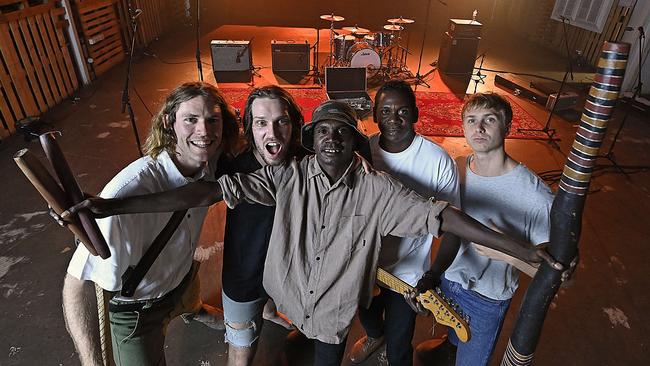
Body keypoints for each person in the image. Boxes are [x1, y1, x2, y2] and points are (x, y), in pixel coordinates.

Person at [67, 100, 561, 366]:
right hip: (285, 300)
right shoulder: (286, 177)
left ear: (353, 145)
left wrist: (520, 248)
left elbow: (445, 218)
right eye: (322, 131)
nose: (331, 138)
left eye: (342, 132)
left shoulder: (376, 192)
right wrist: (113, 203)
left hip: (330, 318)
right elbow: (204, 193)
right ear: (311, 142)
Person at [61, 82, 239, 365]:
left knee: (187, 277)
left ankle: (194, 310)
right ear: (169, 123)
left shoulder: (210, 162)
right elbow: (76, 285)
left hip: (180, 279)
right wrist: (92, 362)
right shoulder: (126, 193)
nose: (204, 131)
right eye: (191, 120)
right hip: (138, 311)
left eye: (212, 120)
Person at [412, 92, 554, 366]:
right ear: (463, 127)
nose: (479, 128)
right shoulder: (458, 169)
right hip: (450, 279)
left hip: (486, 297)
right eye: (472, 120)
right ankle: (450, 346)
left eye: (489, 120)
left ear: (508, 128)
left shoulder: (535, 196)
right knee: (454, 332)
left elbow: (557, 277)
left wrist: (506, 254)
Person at [349, 80, 461, 366]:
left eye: (402, 111)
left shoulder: (438, 161)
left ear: (415, 114)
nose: (393, 119)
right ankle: (375, 336)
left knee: (400, 347)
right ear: (374, 115)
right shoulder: (362, 152)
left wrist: (434, 273)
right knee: (368, 316)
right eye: (385, 112)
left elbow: (454, 226)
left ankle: (391, 348)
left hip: (408, 276)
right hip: (365, 264)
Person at [219, 85, 306, 366]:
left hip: (286, 275)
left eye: (282, 121)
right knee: (241, 357)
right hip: (244, 280)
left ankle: (269, 310)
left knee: (273, 302)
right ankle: (263, 310)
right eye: (261, 123)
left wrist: (356, 161)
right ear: (249, 128)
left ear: (293, 124)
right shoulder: (232, 168)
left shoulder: (306, 162)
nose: (273, 132)